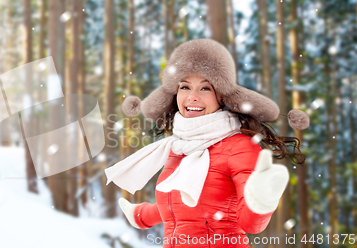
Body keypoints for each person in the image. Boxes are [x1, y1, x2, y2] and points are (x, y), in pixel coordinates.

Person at [104, 39, 309, 248]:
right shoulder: (179, 146)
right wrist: (141, 215)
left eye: (205, 88)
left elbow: (250, 223)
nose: (192, 97)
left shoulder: (239, 147)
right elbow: (180, 205)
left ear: (221, 97)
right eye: (185, 87)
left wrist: (262, 201)